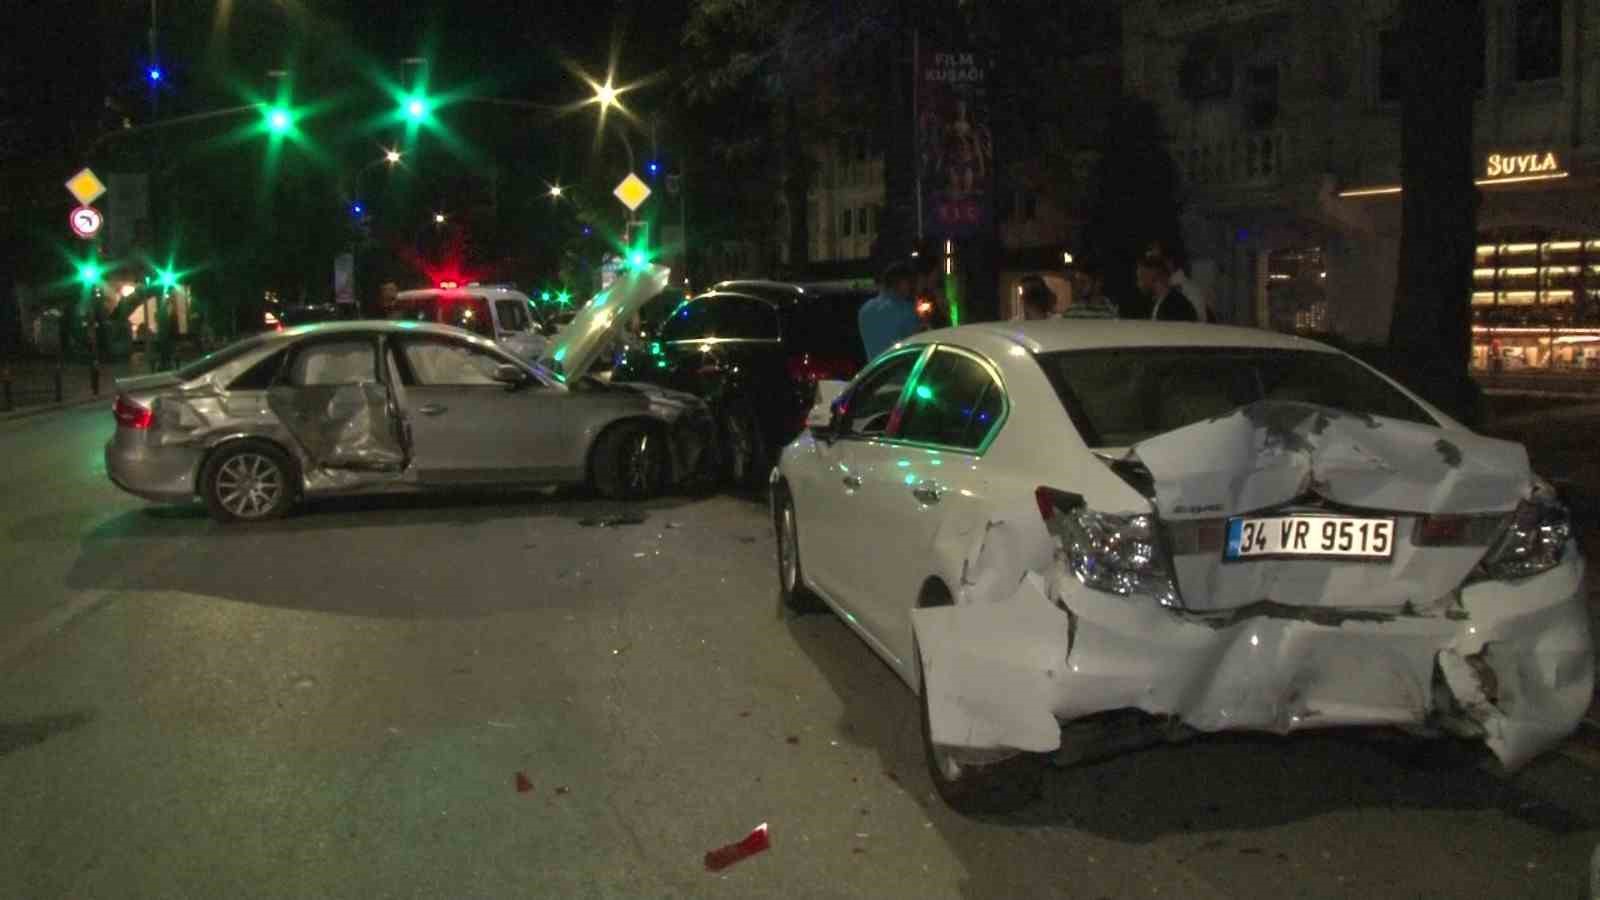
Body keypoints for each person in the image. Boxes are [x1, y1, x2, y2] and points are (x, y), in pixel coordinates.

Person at [858, 260, 922, 360]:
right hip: (902, 369)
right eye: (911, 283)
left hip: (877, 370)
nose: (913, 287)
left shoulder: (865, 309)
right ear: (902, 284)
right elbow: (919, 343)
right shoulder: (904, 309)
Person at [1149, 240, 1215, 322]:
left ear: (1169, 263)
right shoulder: (1165, 291)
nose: (1151, 268)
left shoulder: (1188, 292)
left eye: (1155, 262)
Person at [1136, 250, 1200, 321]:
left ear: (1153, 275)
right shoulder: (1158, 303)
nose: (1138, 284)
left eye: (1141, 278)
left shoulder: (1177, 306)